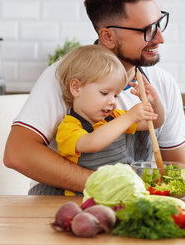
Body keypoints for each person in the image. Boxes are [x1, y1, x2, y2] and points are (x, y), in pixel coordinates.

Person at [4, 0, 185, 195]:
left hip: (127, 206)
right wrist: (108, 186)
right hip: (60, 207)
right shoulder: (64, 76)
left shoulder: (160, 84)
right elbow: (17, 153)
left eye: (159, 24)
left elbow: (176, 171)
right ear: (108, 36)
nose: (160, 38)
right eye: (147, 30)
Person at [32, 45, 161, 195]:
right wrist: (129, 117)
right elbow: (91, 143)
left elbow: (155, 123)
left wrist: (155, 102)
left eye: (116, 95)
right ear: (76, 88)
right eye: (105, 93)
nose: (112, 101)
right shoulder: (68, 127)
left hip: (115, 195)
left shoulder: (114, 117)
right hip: (81, 200)